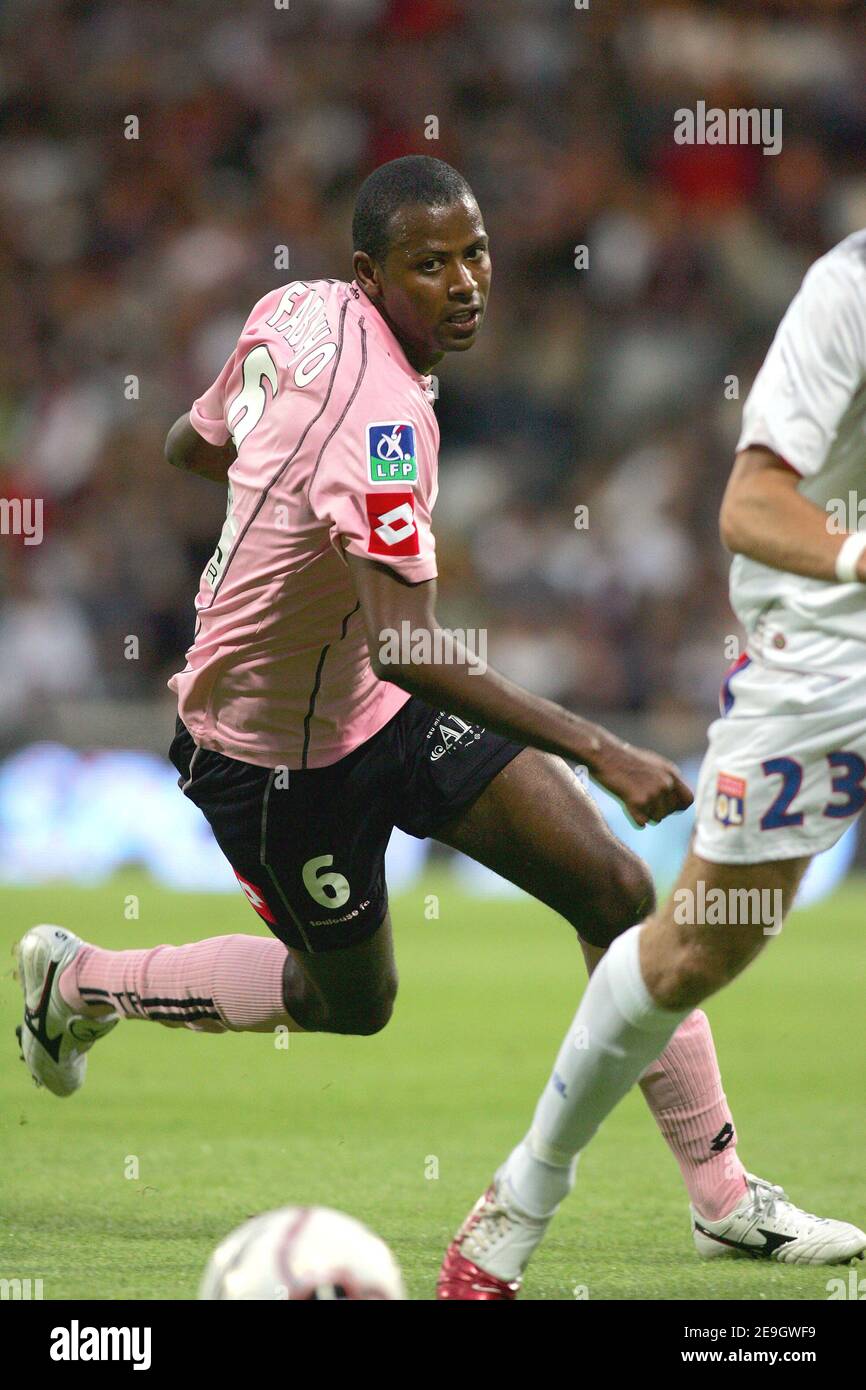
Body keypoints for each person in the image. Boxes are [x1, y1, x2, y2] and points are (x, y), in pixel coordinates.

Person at [17, 157, 816, 1285]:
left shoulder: (289, 308)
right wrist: (596, 743)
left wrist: (277, 517)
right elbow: (407, 639)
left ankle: (722, 1195)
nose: (465, 282)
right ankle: (80, 981)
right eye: (429, 264)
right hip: (271, 754)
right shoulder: (385, 415)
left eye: (475, 252)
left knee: (612, 889)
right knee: (346, 1001)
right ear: (368, 274)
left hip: (374, 701)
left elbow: (186, 444)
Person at [438, 230, 866, 1299]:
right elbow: (749, 507)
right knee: (693, 953)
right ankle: (522, 1194)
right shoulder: (847, 291)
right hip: (829, 652)